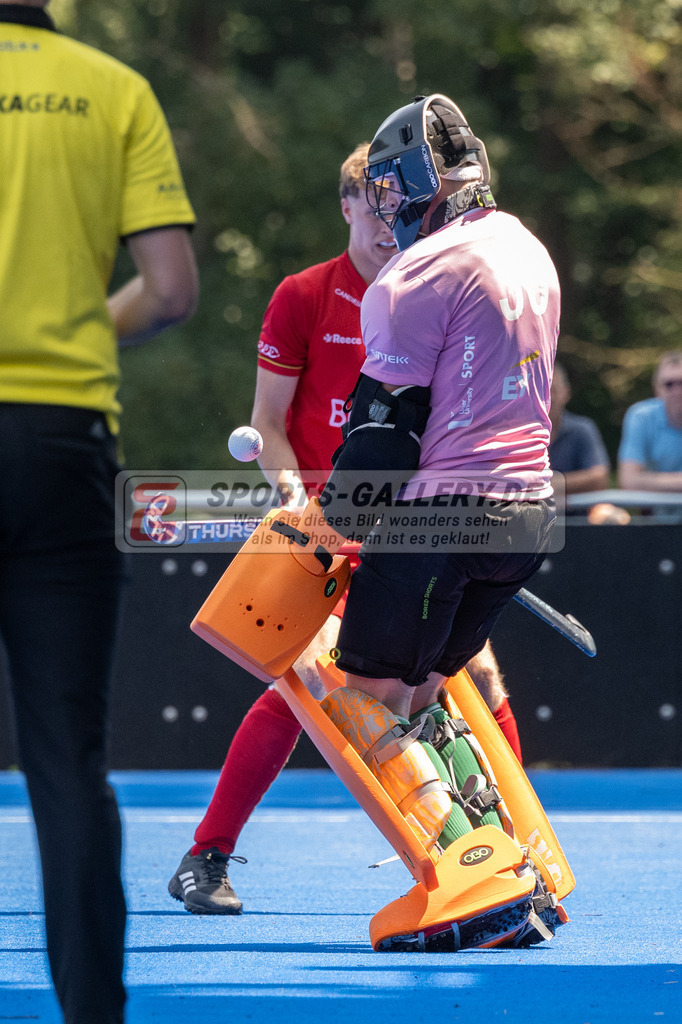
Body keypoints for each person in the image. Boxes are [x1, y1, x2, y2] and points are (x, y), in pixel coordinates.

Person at [168, 142, 522, 918]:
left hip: (416, 525)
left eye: (399, 200)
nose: (389, 216)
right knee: (300, 691)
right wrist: (301, 506)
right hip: (326, 530)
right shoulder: (304, 296)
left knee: (479, 676)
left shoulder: (437, 286)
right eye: (374, 199)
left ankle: (513, 853)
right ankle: (207, 854)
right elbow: (268, 423)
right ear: (348, 205)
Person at [0, 5, 199, 1023]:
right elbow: (169, 289)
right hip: (61, 440)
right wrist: (80, 327)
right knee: (68, 760)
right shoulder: (112, 88)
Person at [318, 94, 559, 759]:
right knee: (425, 699)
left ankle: (451, 829)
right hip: (529, 513)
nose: (386, 206)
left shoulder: (416, 274)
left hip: (441, 518)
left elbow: (383, 444)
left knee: (367, 708)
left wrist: (325, 529)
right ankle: (479, 820)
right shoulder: (528, 247)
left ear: (423, 179)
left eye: (391, 187)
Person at [618, 350, 682, 494]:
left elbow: (634, 480)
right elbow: (629, 481)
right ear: (657, 389)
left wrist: (648, 481)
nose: (677, 391)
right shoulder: (641, 417)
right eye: (669, 384)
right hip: (653, 509)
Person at [549, 362, 610, 494]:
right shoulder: (516, 432)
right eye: (542, 391)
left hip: (573, 506)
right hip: (527, 506)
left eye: (554, 390)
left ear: (566, 392)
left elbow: (600, 477)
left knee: (607, 507)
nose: (549, 398)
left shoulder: (582, 429)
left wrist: (545, 484)